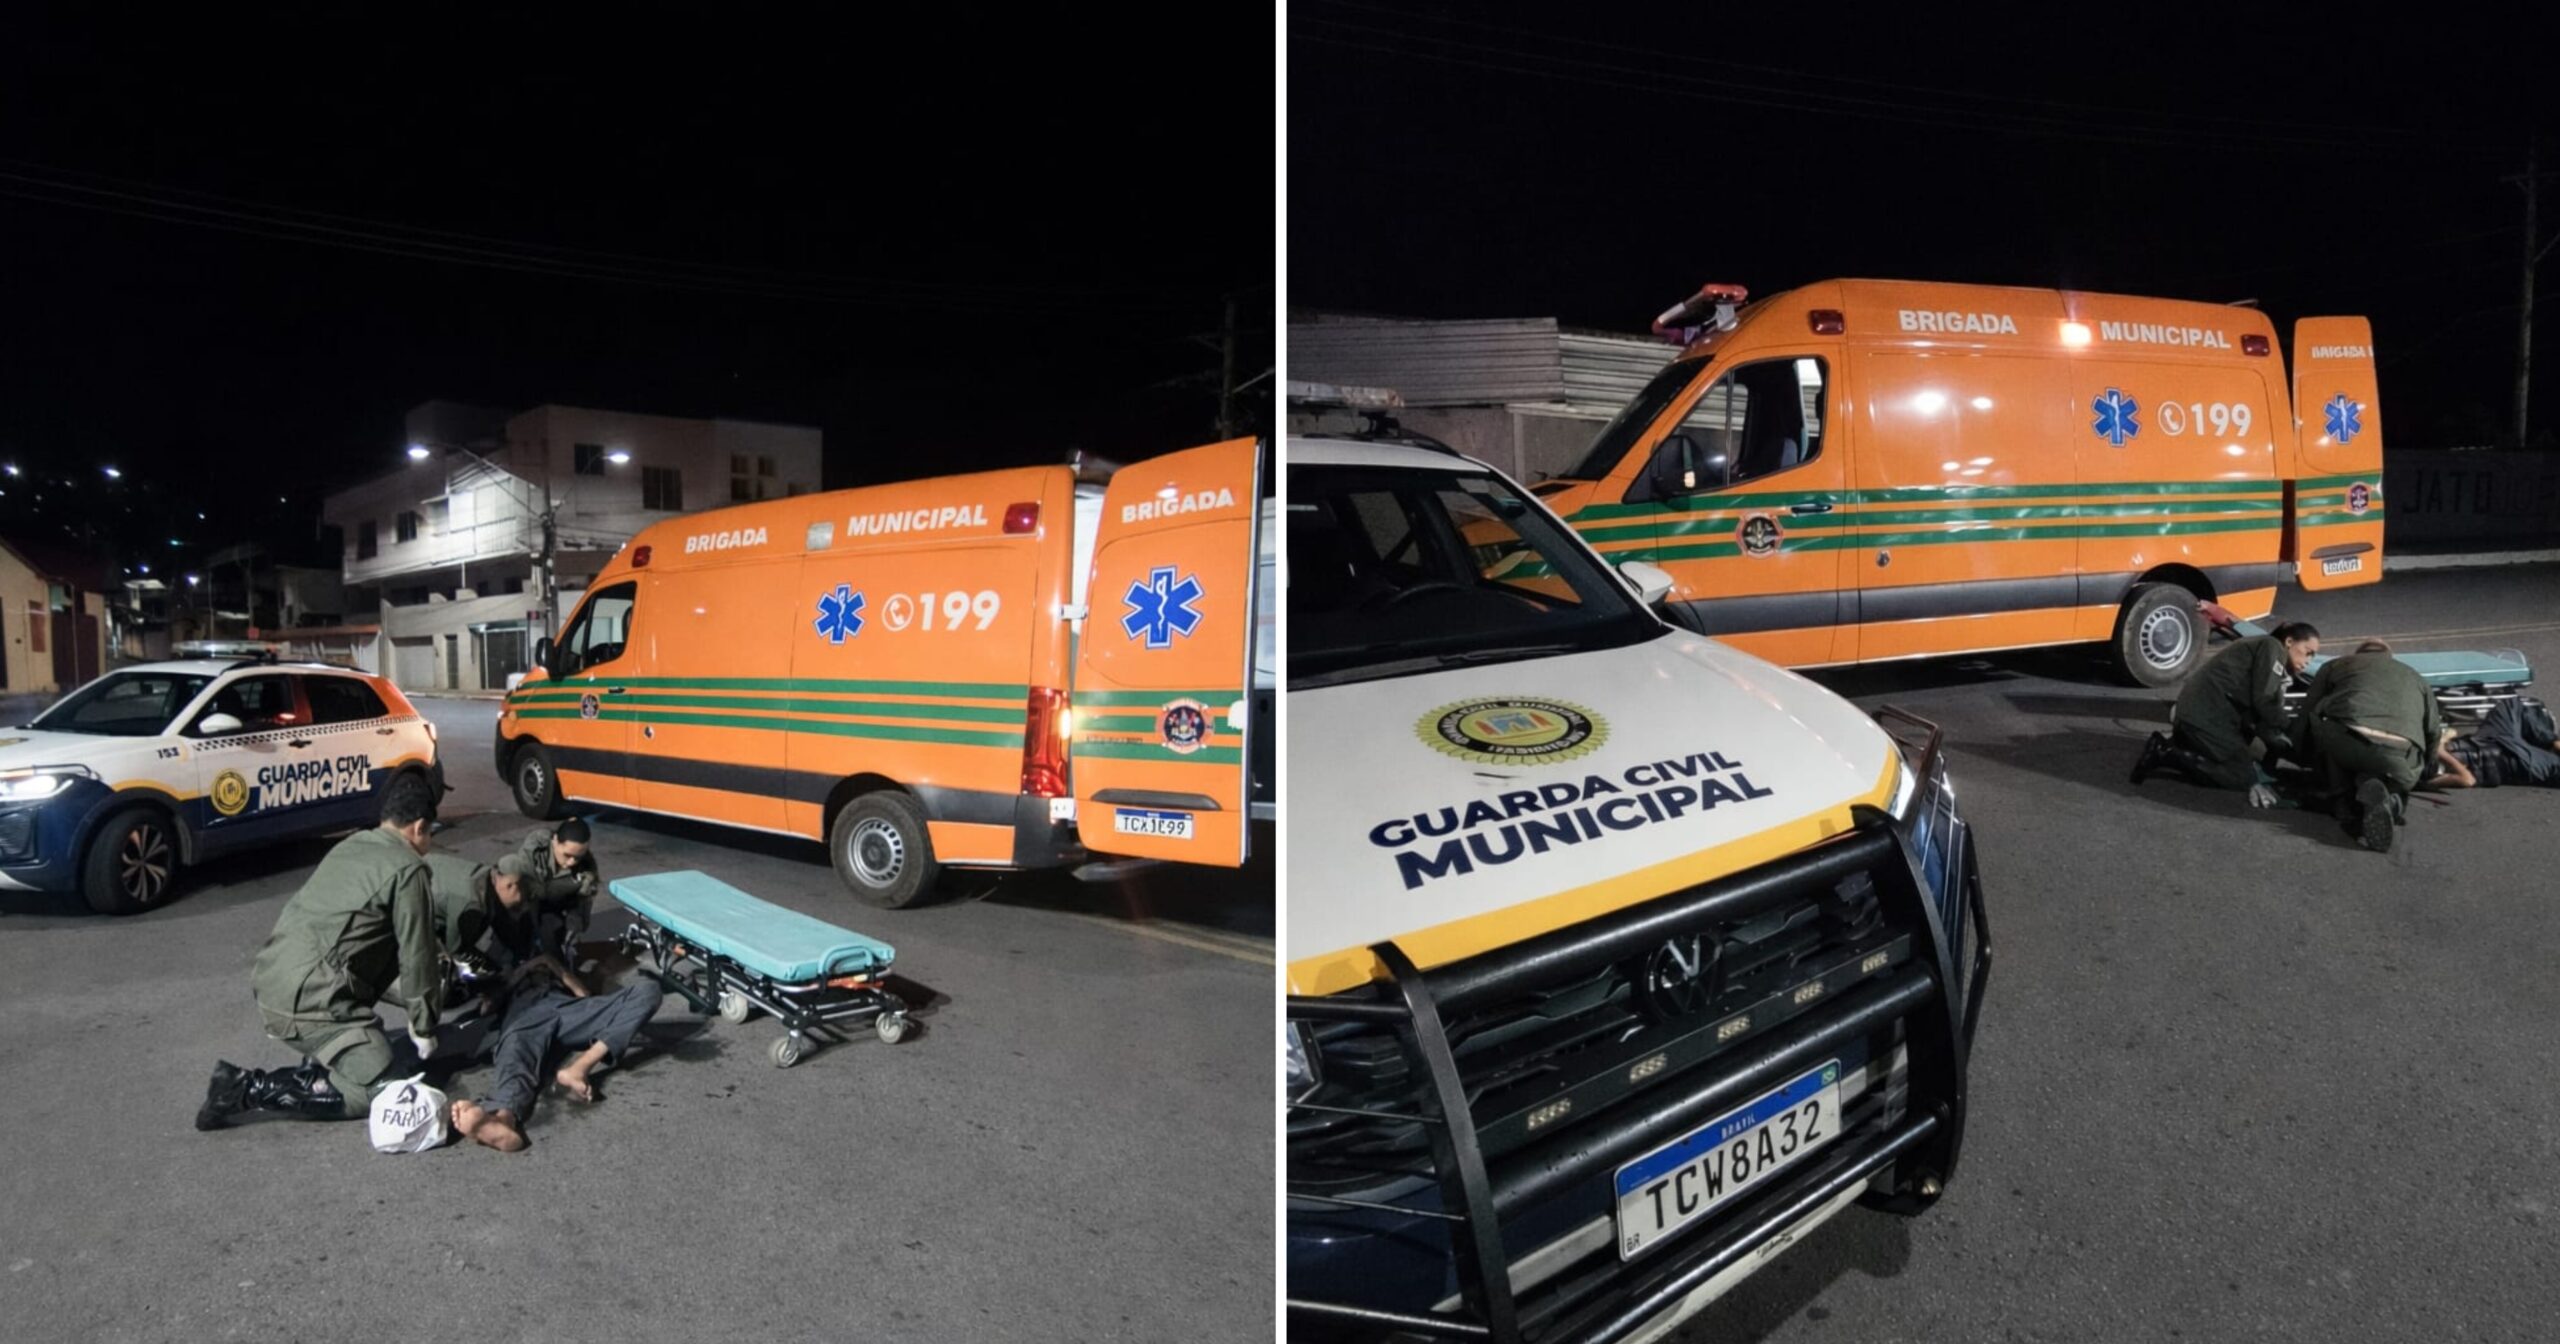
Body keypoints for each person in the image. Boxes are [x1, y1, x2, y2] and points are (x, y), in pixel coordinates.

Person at [196, 773, 445, 1130]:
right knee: (381, 1085)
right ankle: (246, 1088)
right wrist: (424, 1024)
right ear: (420, 827)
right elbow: (417, 952)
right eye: (431, 831)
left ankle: (325, 1052)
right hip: (307, 1001)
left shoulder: (353, 843)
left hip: (274, 977)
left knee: (379, 1001)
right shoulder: (409, 869)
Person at [448, 960, 665, 1153]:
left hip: (565, 1008)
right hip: (525, 1016)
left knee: (649, 990)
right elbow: (487, 1009)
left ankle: (580, 1067)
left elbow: (582, 993)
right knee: (516, 1057)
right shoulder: (510, 980)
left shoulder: (550, 965)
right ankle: (502, 1120)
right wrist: (510, 981)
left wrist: (558, 971)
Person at [2132, 621, 2321, 804]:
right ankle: (2167, 754)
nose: (2308, 662)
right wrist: (2292, 731)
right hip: (2206, 716)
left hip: (2202, 712)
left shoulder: (2263, 648)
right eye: (2307, 652)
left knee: (2256, 753)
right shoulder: (2272, 647)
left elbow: (2262, 715)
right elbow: (2264, 702)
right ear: (2289, 642)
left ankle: (2187, 745)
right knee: (2242, 777)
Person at [2302, 640, 2447, 852]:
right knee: (2392, 770)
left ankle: (2342, 800)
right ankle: (2392, 799)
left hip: (2348, 741)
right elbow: (2434, 731)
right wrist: (2427, 765)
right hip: (2398, 753)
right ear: (2389, 656)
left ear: (2358, 654)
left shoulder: (2337, 665)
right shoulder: (2416, 677)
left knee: (2327, 728)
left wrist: (2300, 751)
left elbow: (2308, 710)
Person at [2420, 697, 2560, 791]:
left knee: (2510, 705)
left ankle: (2549, 741)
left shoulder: (2413, 760)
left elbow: (2451, 733)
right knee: (2554, 766)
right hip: (2514, 760)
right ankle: (2546, 742)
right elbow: (2468, 780)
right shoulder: (2415, 778)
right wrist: (2442, 753)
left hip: (2489, 740)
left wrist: (2444, 739)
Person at [515, 817, 601, 961]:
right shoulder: (534, 851)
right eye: (567, 855)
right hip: (526, 902)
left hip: (554, 907)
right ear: (555, 841)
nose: (571, 862)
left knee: (552, 932)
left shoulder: (587, 866)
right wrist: (572, 883)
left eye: (578, 857)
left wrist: (573, 929)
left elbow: (582, 906)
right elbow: (530, 890)